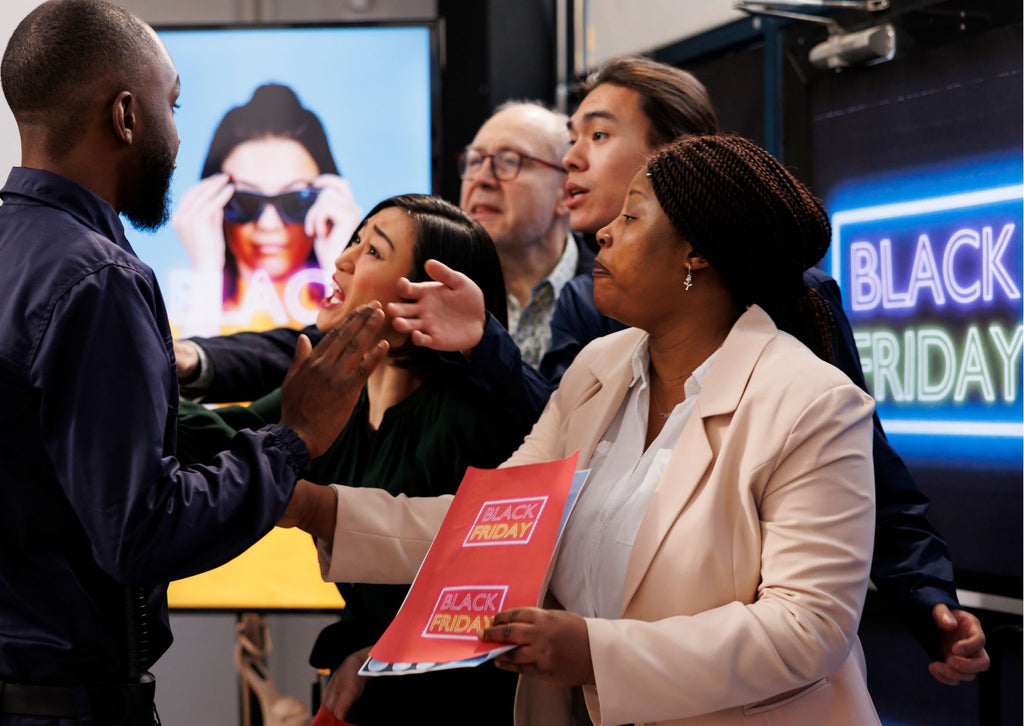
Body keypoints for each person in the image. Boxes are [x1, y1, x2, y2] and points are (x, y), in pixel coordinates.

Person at [387, 56, 991, 686]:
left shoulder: (799, 327)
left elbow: (860, 478)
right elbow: (549, 461)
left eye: (597, 135)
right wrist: (318, 507)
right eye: (570, 139)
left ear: (677, 156)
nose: (572, 158)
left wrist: (926, 597)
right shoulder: (591, 326)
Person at [284, 134, 882, 725]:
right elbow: (489, 529)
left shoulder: (812, 404)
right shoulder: (599, 370)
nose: (604, 231)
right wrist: (318, 508)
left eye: (631, 215)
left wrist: (597, 654)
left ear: (695, 253)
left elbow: (809, 628)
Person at [0, 2, 386, 723]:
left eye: (297, 200)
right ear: (125, 115)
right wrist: (292, 438)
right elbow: (139, 531)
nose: (176, 136)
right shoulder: (99, 279)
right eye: (171, 107)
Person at [176, 194, 527, 725]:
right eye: (354, 239)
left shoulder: (470, 416)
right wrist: (136, 372)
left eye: (373, 251)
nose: (342, 259)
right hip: (363, 688)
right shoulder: (341, 391)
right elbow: (230, 443)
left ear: (428, 295)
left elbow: (492, 590)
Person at [174, 100, 582, 397]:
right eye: (474, 160)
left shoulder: (603, 297)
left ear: (568, 187)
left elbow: (569, 431)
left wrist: (483, 342)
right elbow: (304, 349)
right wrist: (190, 357)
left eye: (509, 161)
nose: (482, 178)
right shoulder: (427, 278)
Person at [172, 83, 361, 337]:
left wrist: (341, 264)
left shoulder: (367, 317)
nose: (269, 224)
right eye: (246, 201)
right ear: (211, 203)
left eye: (296, 199)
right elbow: (186, 372)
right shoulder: (180, 328)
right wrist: (206, 272)